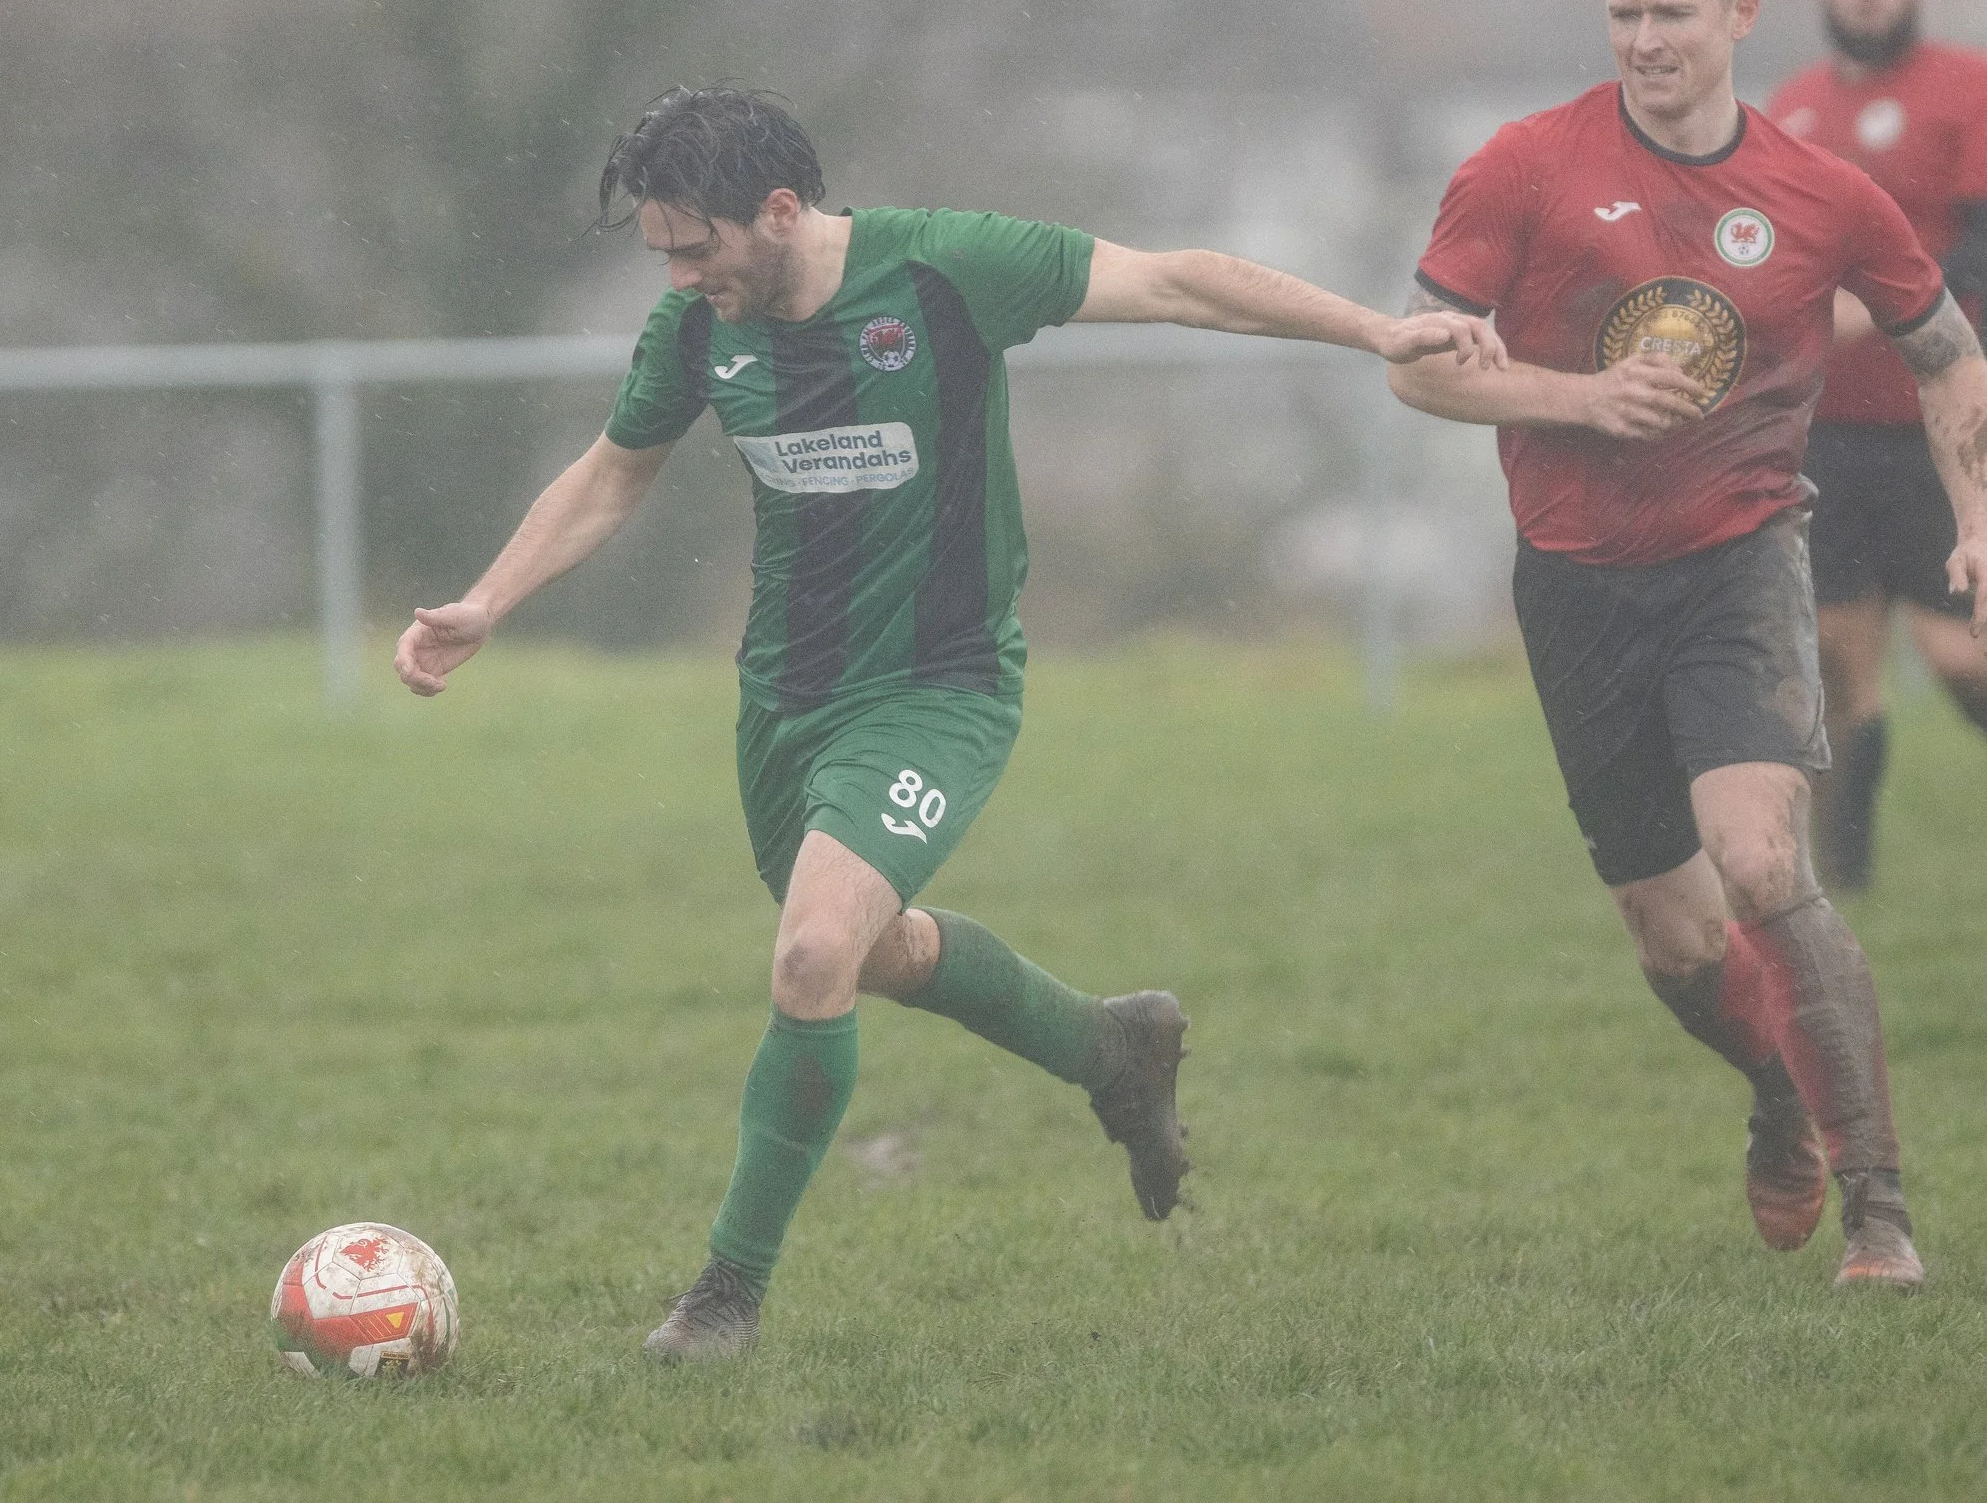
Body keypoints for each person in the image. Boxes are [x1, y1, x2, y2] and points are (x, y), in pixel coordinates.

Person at [396, 85, 1506, 1359]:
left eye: (693, 245)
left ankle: (723, 1299)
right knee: (868, 953)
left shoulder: (945, 267)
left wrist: (1378, 332)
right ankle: (1110, 1045)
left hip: (938, 689)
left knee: (812, 957)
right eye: (660, 250)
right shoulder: (700, 330)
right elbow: (611, 473)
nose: (678, 272)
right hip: (782, 705)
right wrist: (487, 600)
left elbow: (1177, 282)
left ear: (778, 210)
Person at [1389, 0, 1987, 1290]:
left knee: (1767, 860)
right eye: (1625, 16)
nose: (1647, 40)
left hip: (1741, 554)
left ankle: (1881, 1208)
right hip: (1580, 587)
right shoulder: (1524, 167)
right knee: (1671, 930)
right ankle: (1780, 1094)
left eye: (1673, 12)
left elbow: (1947, 347)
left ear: (1741, 16)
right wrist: (1579, 396)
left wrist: (1977, 516)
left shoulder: (1823, 192)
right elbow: (1418, 362)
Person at [1766, 0, 1987, 891]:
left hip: (1942, 428)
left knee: (1958, 652)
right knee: (1841, 659)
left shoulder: (1966, 89)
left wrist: (1879, 308)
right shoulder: (1790, 110)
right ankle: (1844, 886)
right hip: (1826, 436)